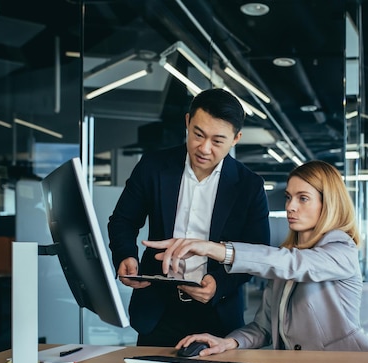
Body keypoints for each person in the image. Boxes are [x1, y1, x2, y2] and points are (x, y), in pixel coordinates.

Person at [144, 160, 368, 355]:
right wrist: (227, 342)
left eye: (303, 198)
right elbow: (263, 328)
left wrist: (213, 249)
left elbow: (293, 265)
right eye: (289, 197)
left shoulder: (342, 251)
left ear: (328, 204)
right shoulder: (288, 256)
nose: (290, 206)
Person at [107, 88, 270, 347]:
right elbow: (123, 220)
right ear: (187, 122)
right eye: (198, 134)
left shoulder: (249, 186)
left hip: (218, 313)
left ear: (236, 138)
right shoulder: (153, 166)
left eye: (217, 141)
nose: (204, 148)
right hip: (158, 309)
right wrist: (126, 255)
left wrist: (220, 284)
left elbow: (258, 253)